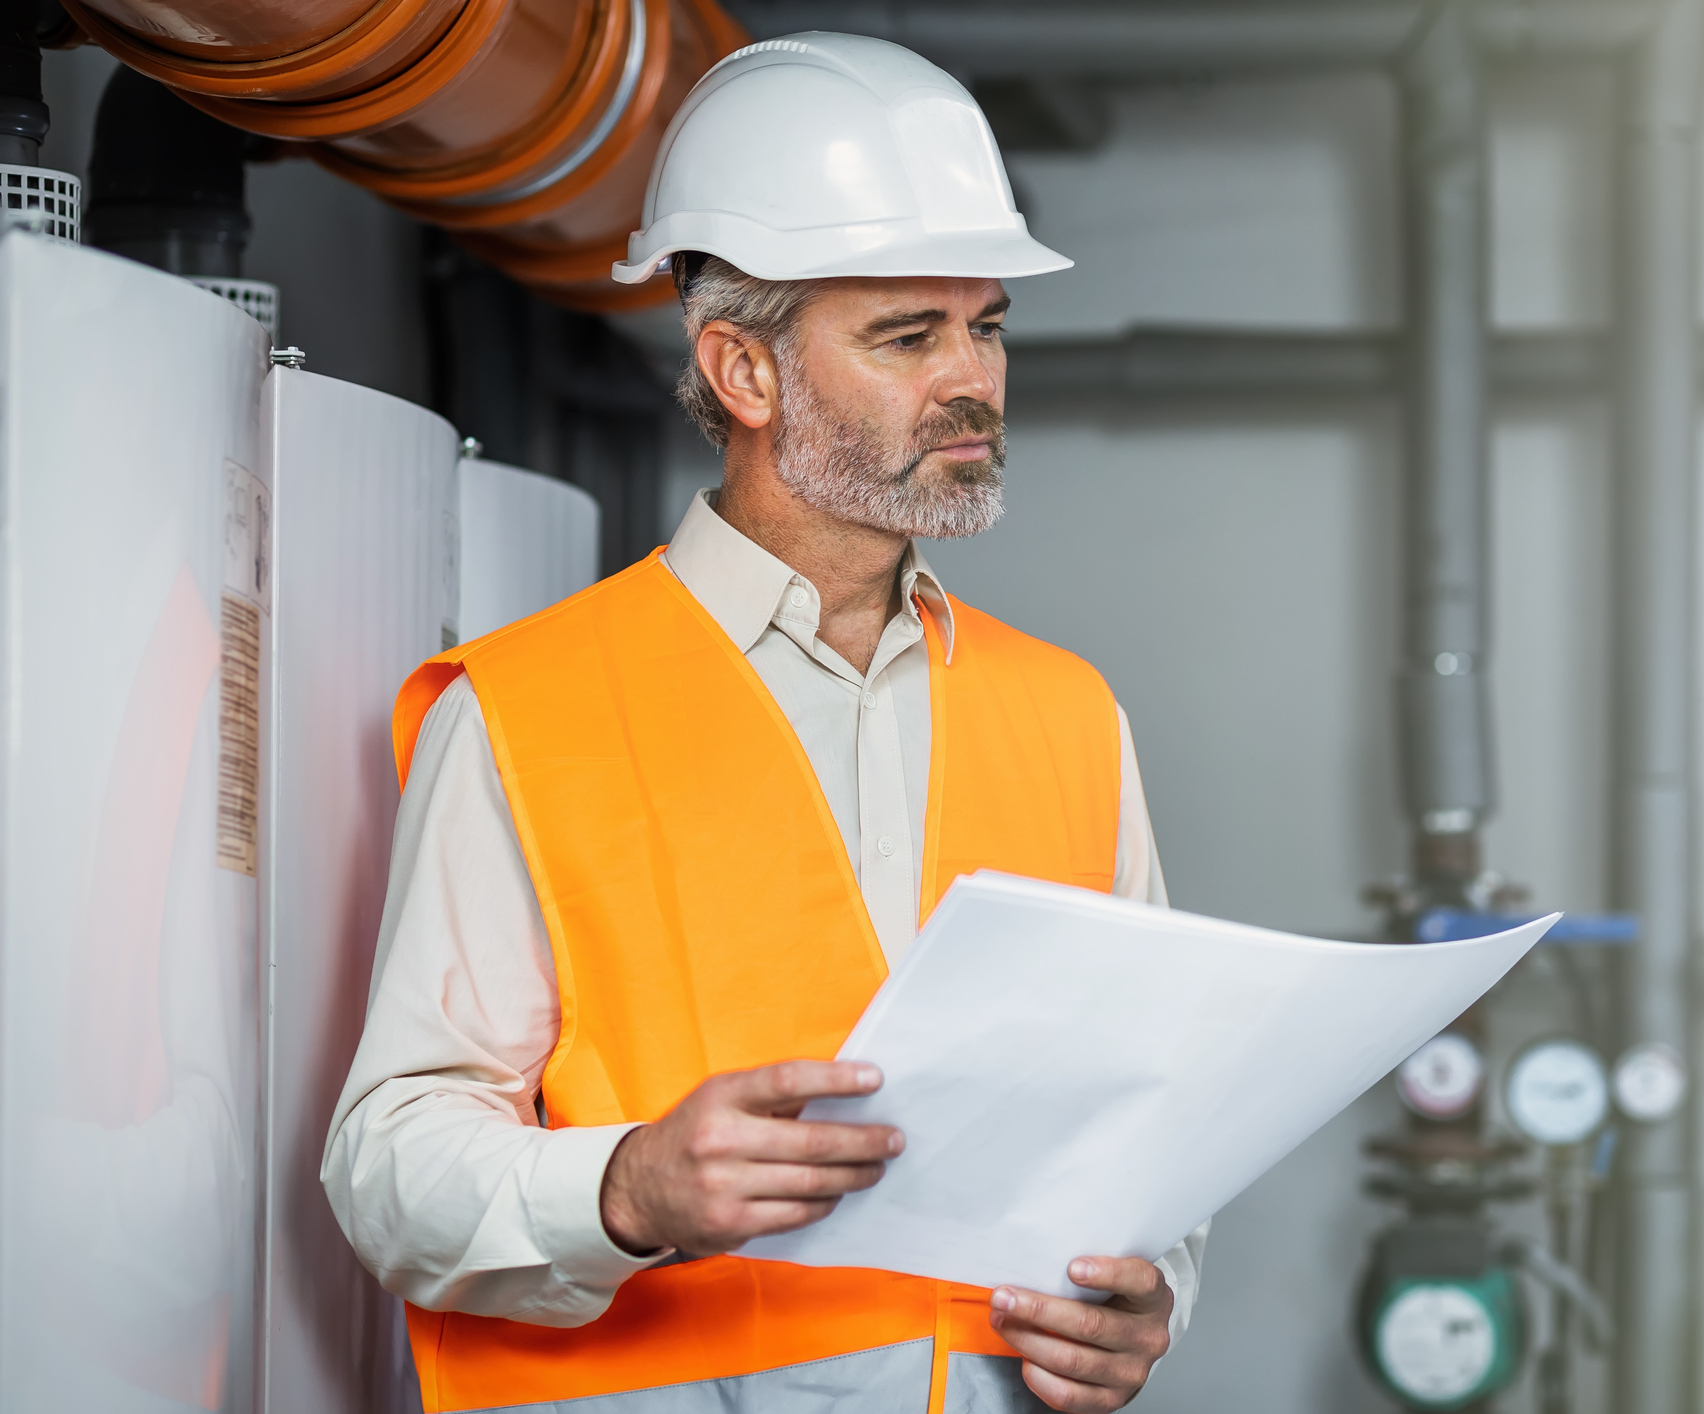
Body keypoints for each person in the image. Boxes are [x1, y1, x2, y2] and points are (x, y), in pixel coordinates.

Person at [323, 32, 1207, 1414]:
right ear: (743, 372)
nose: (972, 378)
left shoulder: (1067, 715)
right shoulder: (528, 709)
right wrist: (624, 1185)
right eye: (909, 336)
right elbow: (387, 1162)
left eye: (985, 324)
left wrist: (1151, 1299)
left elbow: (1142, 1123)